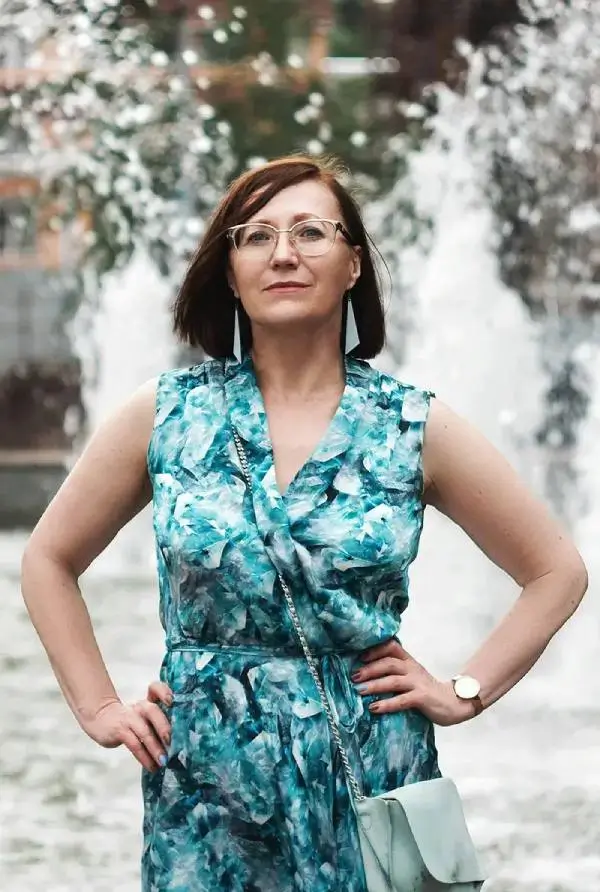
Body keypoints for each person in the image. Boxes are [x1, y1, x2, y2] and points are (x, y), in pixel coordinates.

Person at [21, 155, 587, 892]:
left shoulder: (412, 425)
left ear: (353, 263)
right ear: (229, 271)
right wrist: (98, 706)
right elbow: (48, 560)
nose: (283, 253)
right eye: (255, 236)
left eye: (311, 232)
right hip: (208, 781)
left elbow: (556, 571)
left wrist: (464, 691)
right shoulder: (166, 415)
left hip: (369, 768)